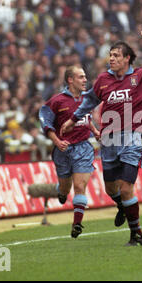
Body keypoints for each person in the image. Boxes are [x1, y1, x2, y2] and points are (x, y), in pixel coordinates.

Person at [61, 30, 142, 246]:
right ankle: (122, 206)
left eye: (115, 55)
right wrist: (74, 119)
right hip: (108, 140)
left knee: (126, 188)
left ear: (127, 59)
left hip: (133, 138)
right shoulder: (103, 79)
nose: (111, 59)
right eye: (110, 55)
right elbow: (88, 102)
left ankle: (136, 234)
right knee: (111, 189)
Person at [38, 66, 100, 238]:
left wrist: (94, 131)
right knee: (66, 188)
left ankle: (77, 223)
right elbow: (46, 124)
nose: (85, 80)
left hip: (83, 148)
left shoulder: (88, 98)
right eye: (81, 77)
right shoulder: (56, 101)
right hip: (63, 149)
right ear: (70, 80)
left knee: (80, 186)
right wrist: (57, 142)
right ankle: (61, 191)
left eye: (85, 76)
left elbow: (86, 118)